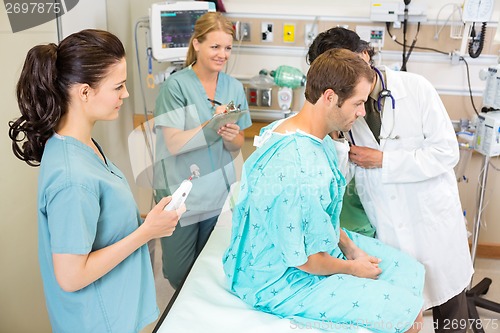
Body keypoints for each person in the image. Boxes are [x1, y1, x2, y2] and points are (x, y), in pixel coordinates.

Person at [223, 48, 425, 333]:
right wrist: (353, 268)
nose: (362, 112)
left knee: (409, 270)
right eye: (357, 103)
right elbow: (303, 260)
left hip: (316, 249)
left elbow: (324, 217)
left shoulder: (303, 133)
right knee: (407, 316)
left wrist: (352, 249)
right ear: (330, 97)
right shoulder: (297, 167)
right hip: (280, 278)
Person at [8, 29, 183, 333]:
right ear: (85, 92)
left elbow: (96, 221)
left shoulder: (80, 144)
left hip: (114, 311)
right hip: (97, 322)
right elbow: (71, 275)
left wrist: (146, 220)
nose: (125, 95)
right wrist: (146, 232)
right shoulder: (72, 177)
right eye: (119, 86)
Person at [307, 27, 474, 333]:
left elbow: (446, 152)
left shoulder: (416, 88)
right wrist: (335, 139)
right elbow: (343, 174)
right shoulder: (343, 109)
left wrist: (385, 160)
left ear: (364, 56)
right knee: (403, 314)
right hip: (388, 225)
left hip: (431, 221)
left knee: (452, 312)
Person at [153, 12, 252, 289]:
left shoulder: (233, 86)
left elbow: (236, 144)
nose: (223, 54)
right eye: (215, 47)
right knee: (178, 272)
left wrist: (231, 135)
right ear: (196, 44)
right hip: (181, 195)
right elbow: (174, 144)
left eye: (228, 48)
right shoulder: (176, 86)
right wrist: (213, 124)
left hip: (217, 195)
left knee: (211, 267)